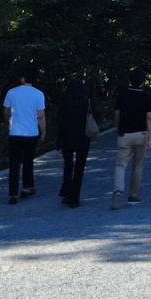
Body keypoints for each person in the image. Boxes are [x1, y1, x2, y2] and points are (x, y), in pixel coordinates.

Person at [2, 67, 46, 204]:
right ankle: (27, 187)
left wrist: (8, 122)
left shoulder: (12, 92)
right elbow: (40, 116)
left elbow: (6, 111)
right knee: (28, 161)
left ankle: (13, 194)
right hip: (31, 132)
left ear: (22, 78)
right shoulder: (39, 94)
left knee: (14, 163)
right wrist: (43, 131)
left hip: (15, 132)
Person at [112, 71, 151, 208]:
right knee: (137, 166)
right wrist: (150, 137)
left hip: (124, 134)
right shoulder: (146, 97)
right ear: (143, 81)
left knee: (120, 165)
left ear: (129, 81)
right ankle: (133, 195)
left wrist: (118, 128)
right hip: (141, 134)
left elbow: (117, 115)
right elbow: (149, 117)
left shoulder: (122, 96)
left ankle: (118, 190)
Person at [57, 79, 96, 208]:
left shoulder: (64, 104)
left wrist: (59, 141)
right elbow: (94, 117)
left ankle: (67, 191)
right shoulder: (86, 103)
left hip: (67, 139)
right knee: (79, 168)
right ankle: (75, 198)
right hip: (83, 139)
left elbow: (60, 123)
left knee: (68, 166)